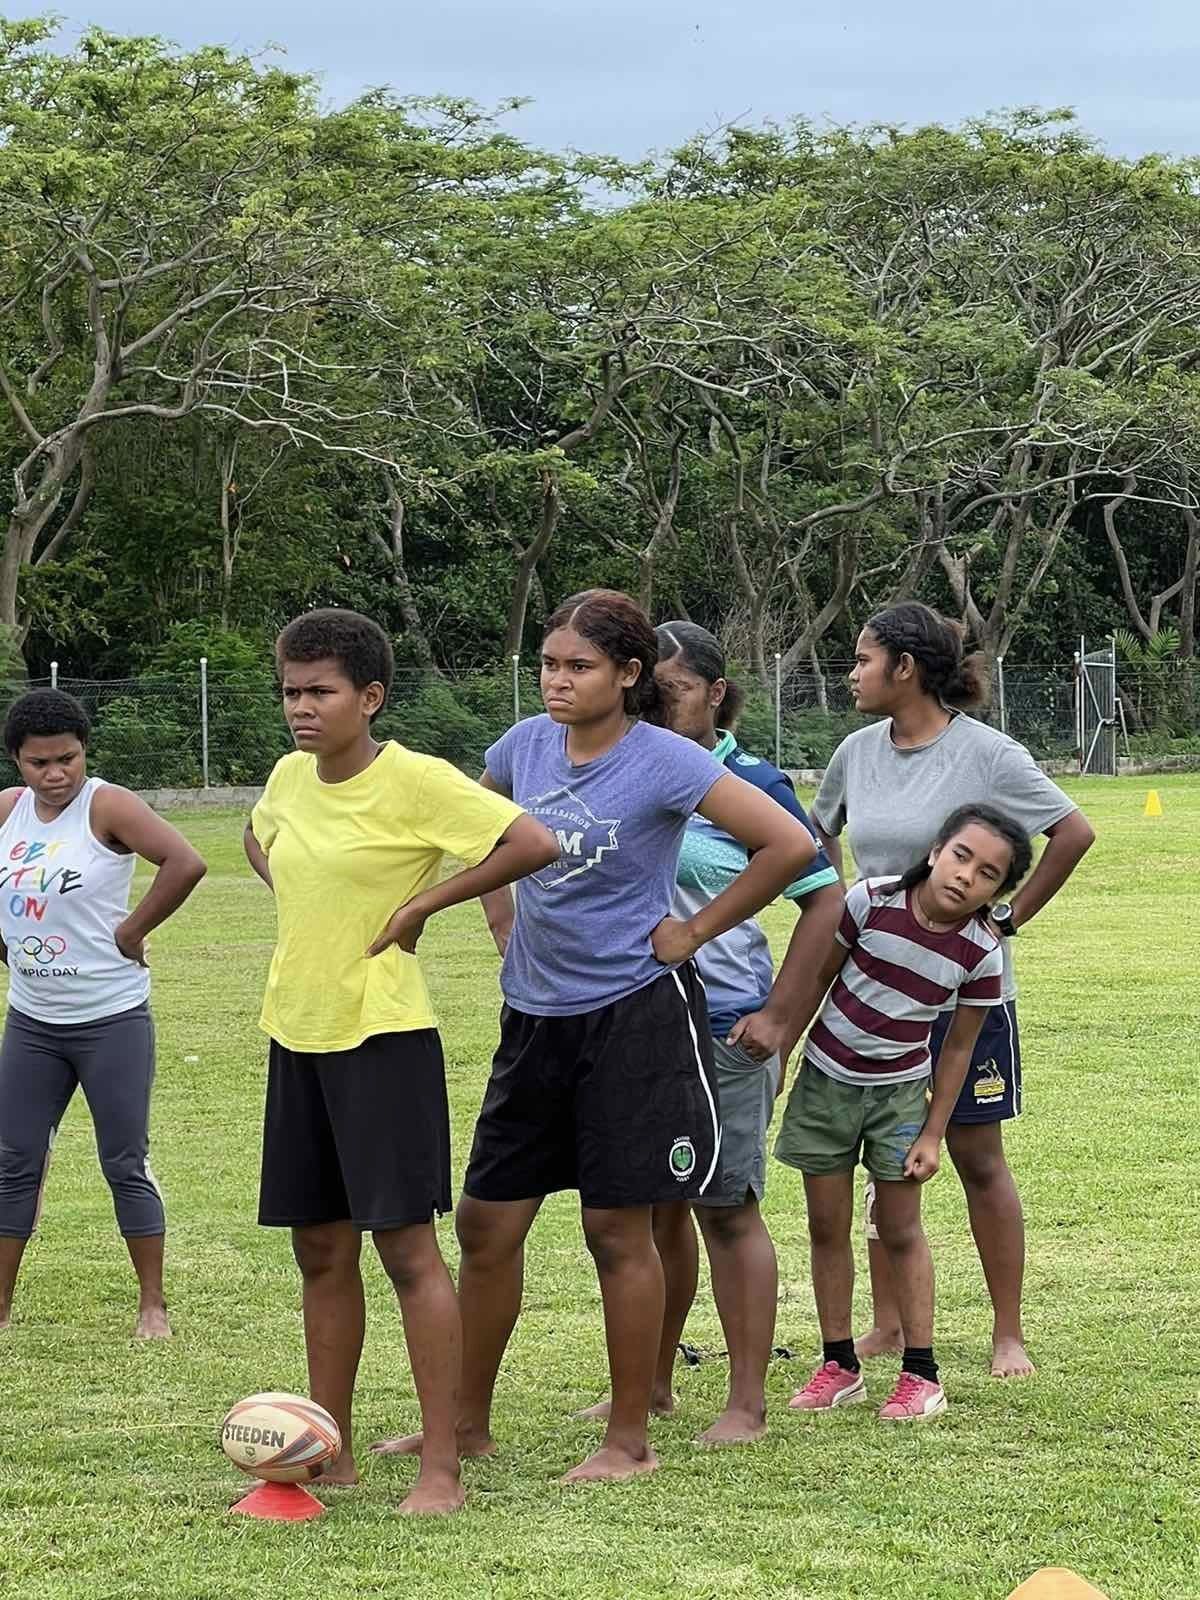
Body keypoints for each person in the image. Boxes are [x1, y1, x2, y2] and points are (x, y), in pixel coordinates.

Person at [374, 589, 817, 1484]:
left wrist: (690, 933)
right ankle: (464, 1425)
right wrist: (499, 920)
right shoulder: (524, 746)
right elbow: (474, 829)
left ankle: (628, 1441)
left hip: (635, 1019)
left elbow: (788, 847)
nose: (557, 682)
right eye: (548, 664)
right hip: (534, 1019)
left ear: (626, 675)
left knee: (618, 1230)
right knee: (485, 1227)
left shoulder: (664, 761)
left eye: (578, 667)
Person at [244, 608, 558, 1516]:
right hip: (295, 1032)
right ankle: (324, 1453)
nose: (301, 709)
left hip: (383, 1041)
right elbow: (263, 840)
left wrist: (425, 903)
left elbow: (530, 842)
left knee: (407, 1251)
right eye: (290, 692)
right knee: (319, 1247)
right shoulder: (287, 777)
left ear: (370, 697)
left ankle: (441, 1468)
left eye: (320, 692)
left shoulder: (417, 781)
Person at [810, 603, 1095, 1377]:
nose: (853, 674)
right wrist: (838, 911)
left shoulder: (990, 755)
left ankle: (1009, 1332)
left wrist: (1004, 923)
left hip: (962, 1001)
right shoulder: (856, 753)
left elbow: (1072, 832)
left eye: (863, 659)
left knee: (976, 1156)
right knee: (885, 1155)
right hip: (877, 997)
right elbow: (818, 834)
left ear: (904, 667)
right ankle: (888, 1325)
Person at [576, 620, 843, 1445]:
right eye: (645, 691)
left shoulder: (754, 783)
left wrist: (780, 1014)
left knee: (726, 1210)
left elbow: (828, 902)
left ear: (716, 693)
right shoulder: (620, 770)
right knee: (654, 1211)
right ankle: (653, 1384)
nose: (655, 705)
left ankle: (745, 1404)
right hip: (628, 1019)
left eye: (674, 690)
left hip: (723, 1021)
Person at [776, 804, 1033, 1420]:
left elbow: (961, 1048)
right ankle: (838, 1362)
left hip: (898, 1096)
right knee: (825, 1225)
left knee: (900, 1229)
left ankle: (922, 1373)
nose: (967, 876)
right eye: (962, 855)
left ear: (998, 892)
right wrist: (782, 1050)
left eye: (989, 874)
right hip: (826, 1083)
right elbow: (818, 979)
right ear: (936, 850)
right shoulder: (869, 900)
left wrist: (934, 1132)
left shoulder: (981, 953)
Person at [0, 688, 206, 1338]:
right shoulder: (7, 813)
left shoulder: (107, 805)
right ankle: (1, 1306)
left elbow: (186, 861)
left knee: (123, 1159)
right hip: (31, 1023)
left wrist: (132, 930)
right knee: (13, 1160)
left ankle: (152, 1305)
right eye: (39, 764)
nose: (56, 774)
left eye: (68, 758)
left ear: (85, 752)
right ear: (16, 762)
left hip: (110, 1019)